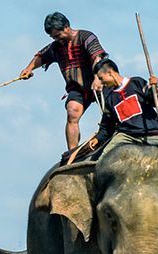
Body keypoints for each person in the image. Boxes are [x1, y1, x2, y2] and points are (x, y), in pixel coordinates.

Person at [18, 12, 110, 151]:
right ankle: (72, 153)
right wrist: (29, 68)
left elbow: (97, 58)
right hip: (77, 88)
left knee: (111, 112)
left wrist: (98, 78)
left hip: (99, 82)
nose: (56, 39)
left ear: (66, 27)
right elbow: (41, 56)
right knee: (72, 111)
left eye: (57, 35)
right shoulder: (56, 46)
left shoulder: (86, 37)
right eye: (53, 37)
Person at [80, 59, 158, 159]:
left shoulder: (137, 83)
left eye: (101, 78)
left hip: (150, 133)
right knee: (105, 159)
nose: (102, 83)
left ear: (110, 73)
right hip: (127, 136)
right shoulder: (110, 98)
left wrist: (155, 89)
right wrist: (98, 138)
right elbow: (107, 126)